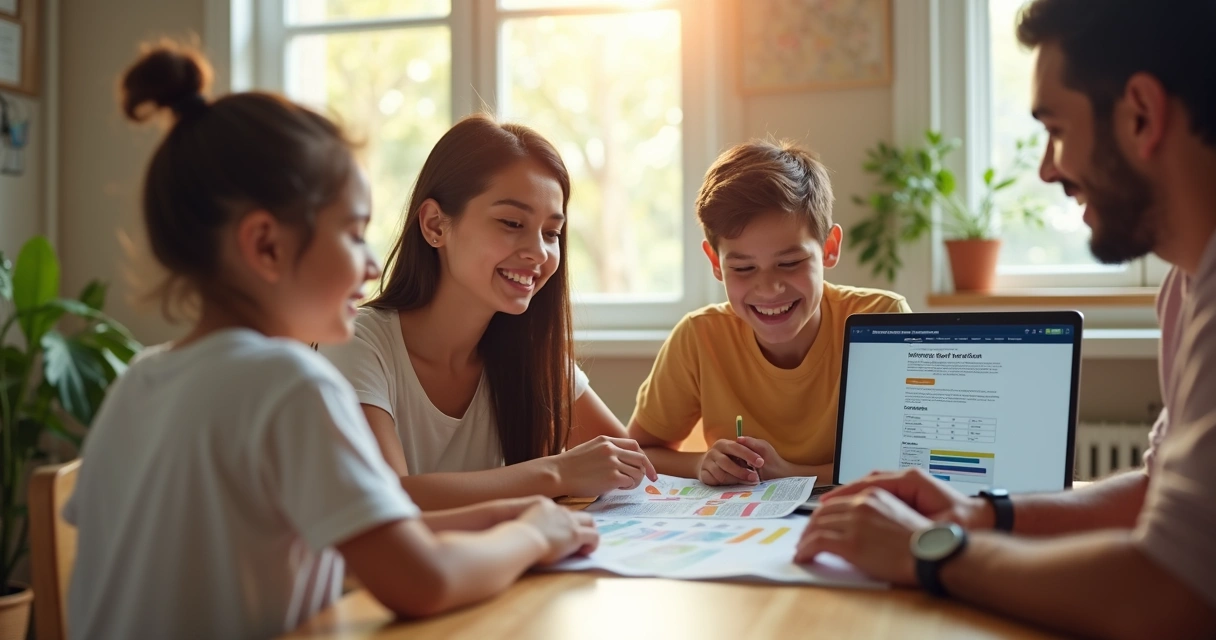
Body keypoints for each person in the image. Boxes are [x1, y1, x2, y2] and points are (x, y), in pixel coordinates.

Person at [65, 44, 597, 639]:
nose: (372, 265)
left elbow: (380, 531)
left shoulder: (139, 379)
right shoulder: (290, 384)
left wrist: (518, 511)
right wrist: (533, 536)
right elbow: (422, 581)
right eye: (352, 234)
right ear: (266, 246)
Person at [795, 2, 1216, 638]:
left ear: (1141, 114)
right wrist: (982, 515)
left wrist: (928, 552)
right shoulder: (1188, 284)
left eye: (1057, 130)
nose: (1048, 168)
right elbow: (1157, 494)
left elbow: (1171, 593)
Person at [320, 114, 655, 510]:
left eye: (551, 233)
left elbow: (626, 464)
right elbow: (385, 500)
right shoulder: (357, 342)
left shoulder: (534, 355)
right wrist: (557, 472)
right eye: (512, 223)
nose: (539, 252)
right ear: (435, 225)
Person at [626, 140, 910, 486]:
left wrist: (787, 473)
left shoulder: (883, 319)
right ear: (715, 263)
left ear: (829, 248)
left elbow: (905, 463)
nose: (769, 289)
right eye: (743, 268)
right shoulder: (699, 337)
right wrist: (701, 463)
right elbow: (640, 451)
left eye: (789, 263)